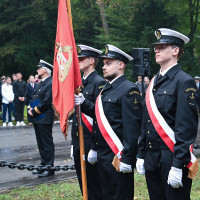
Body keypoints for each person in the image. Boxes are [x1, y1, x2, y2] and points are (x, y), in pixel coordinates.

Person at [136, 28, 198, 200]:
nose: (157, 50)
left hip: (171, 155)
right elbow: (146, 121)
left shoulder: (184, 81)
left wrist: (178, 164)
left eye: (162, 46)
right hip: (151, 155)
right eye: (156, 47)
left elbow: (186, 127)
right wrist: (141, 153)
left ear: (175, 50)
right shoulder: (154, 82)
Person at [76, 44, 142, 200]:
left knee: (119, 196)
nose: (104, 67)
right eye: (104, 63)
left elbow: (132, 128)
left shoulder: (129, 89)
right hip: (102, 154)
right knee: (105, 195)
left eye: (108, 63)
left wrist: (127, 157)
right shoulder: (106, 88)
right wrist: (84, 103)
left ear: (121, 65)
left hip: (117, 155)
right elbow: (100, 118)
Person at [72, 45, 106, 199]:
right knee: (83, 183)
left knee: (94, 185)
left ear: (91, 61)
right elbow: (76, 116)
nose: (77, 61)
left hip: (91, 141)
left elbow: (99, 115)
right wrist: (73, 143)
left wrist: (94, 146)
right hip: (79, 140)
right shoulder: (80, 83)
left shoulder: (99, 82)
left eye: (81, 59)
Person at [28, 60, 55, 177]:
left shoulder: (51, 82)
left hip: (44, 116)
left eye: (39, 68)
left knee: (46, 143)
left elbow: (47, 101)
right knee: (40, 143)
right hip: (38, 117)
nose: (37, 70)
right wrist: (30, 107)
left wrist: (34, 111)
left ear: (45, 70)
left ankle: (50, 167)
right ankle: (44, 164)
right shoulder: (41, 82)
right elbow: (35, 97)